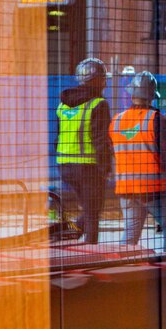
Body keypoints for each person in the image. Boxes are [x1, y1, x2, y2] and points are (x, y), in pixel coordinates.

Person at [109, 71, 166, 254]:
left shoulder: (117, 120)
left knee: (130, 233)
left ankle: (122, 265)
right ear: (152, 96)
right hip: (154, 188)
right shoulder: (157, 120)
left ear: (132, 94)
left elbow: (113, 151)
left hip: (126, 188)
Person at [56, 58, 113, 244]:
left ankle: (72, 232)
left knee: (91, 208)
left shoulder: (63, 104)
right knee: (93, 211)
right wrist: (105, 168)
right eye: (103, 78)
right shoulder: (98, 104)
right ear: (96, 80)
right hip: (88, 167)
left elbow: (58, 136)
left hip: (65, 166)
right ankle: (90, 248)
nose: (105, 82)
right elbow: (100, 140)